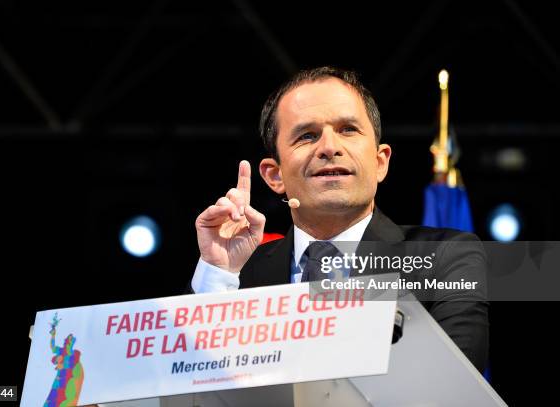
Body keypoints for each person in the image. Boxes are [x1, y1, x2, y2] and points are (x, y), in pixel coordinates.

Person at [191, 66, 489, 373]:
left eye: (348, 129)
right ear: (275, 175)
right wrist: (219, 272)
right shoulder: (238, 277)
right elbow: (191, 382)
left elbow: (451, 379)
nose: (330, 147)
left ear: (379, 162)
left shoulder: (447, 257)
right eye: (307, 135)